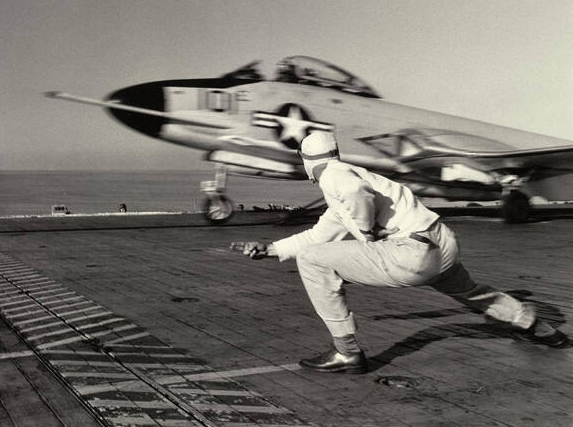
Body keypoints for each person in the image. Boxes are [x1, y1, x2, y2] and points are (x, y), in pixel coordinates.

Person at [230, 131, 566, 374]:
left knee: (313, 261)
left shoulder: (334, 176)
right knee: (473, 293)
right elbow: (321, 233)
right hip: (441, 242)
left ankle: (346, 352)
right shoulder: (356, 177)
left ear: (307, 162)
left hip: (412, 254)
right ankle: (535, 325)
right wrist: (271, 249)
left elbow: (353, 195)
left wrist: (364, 233)